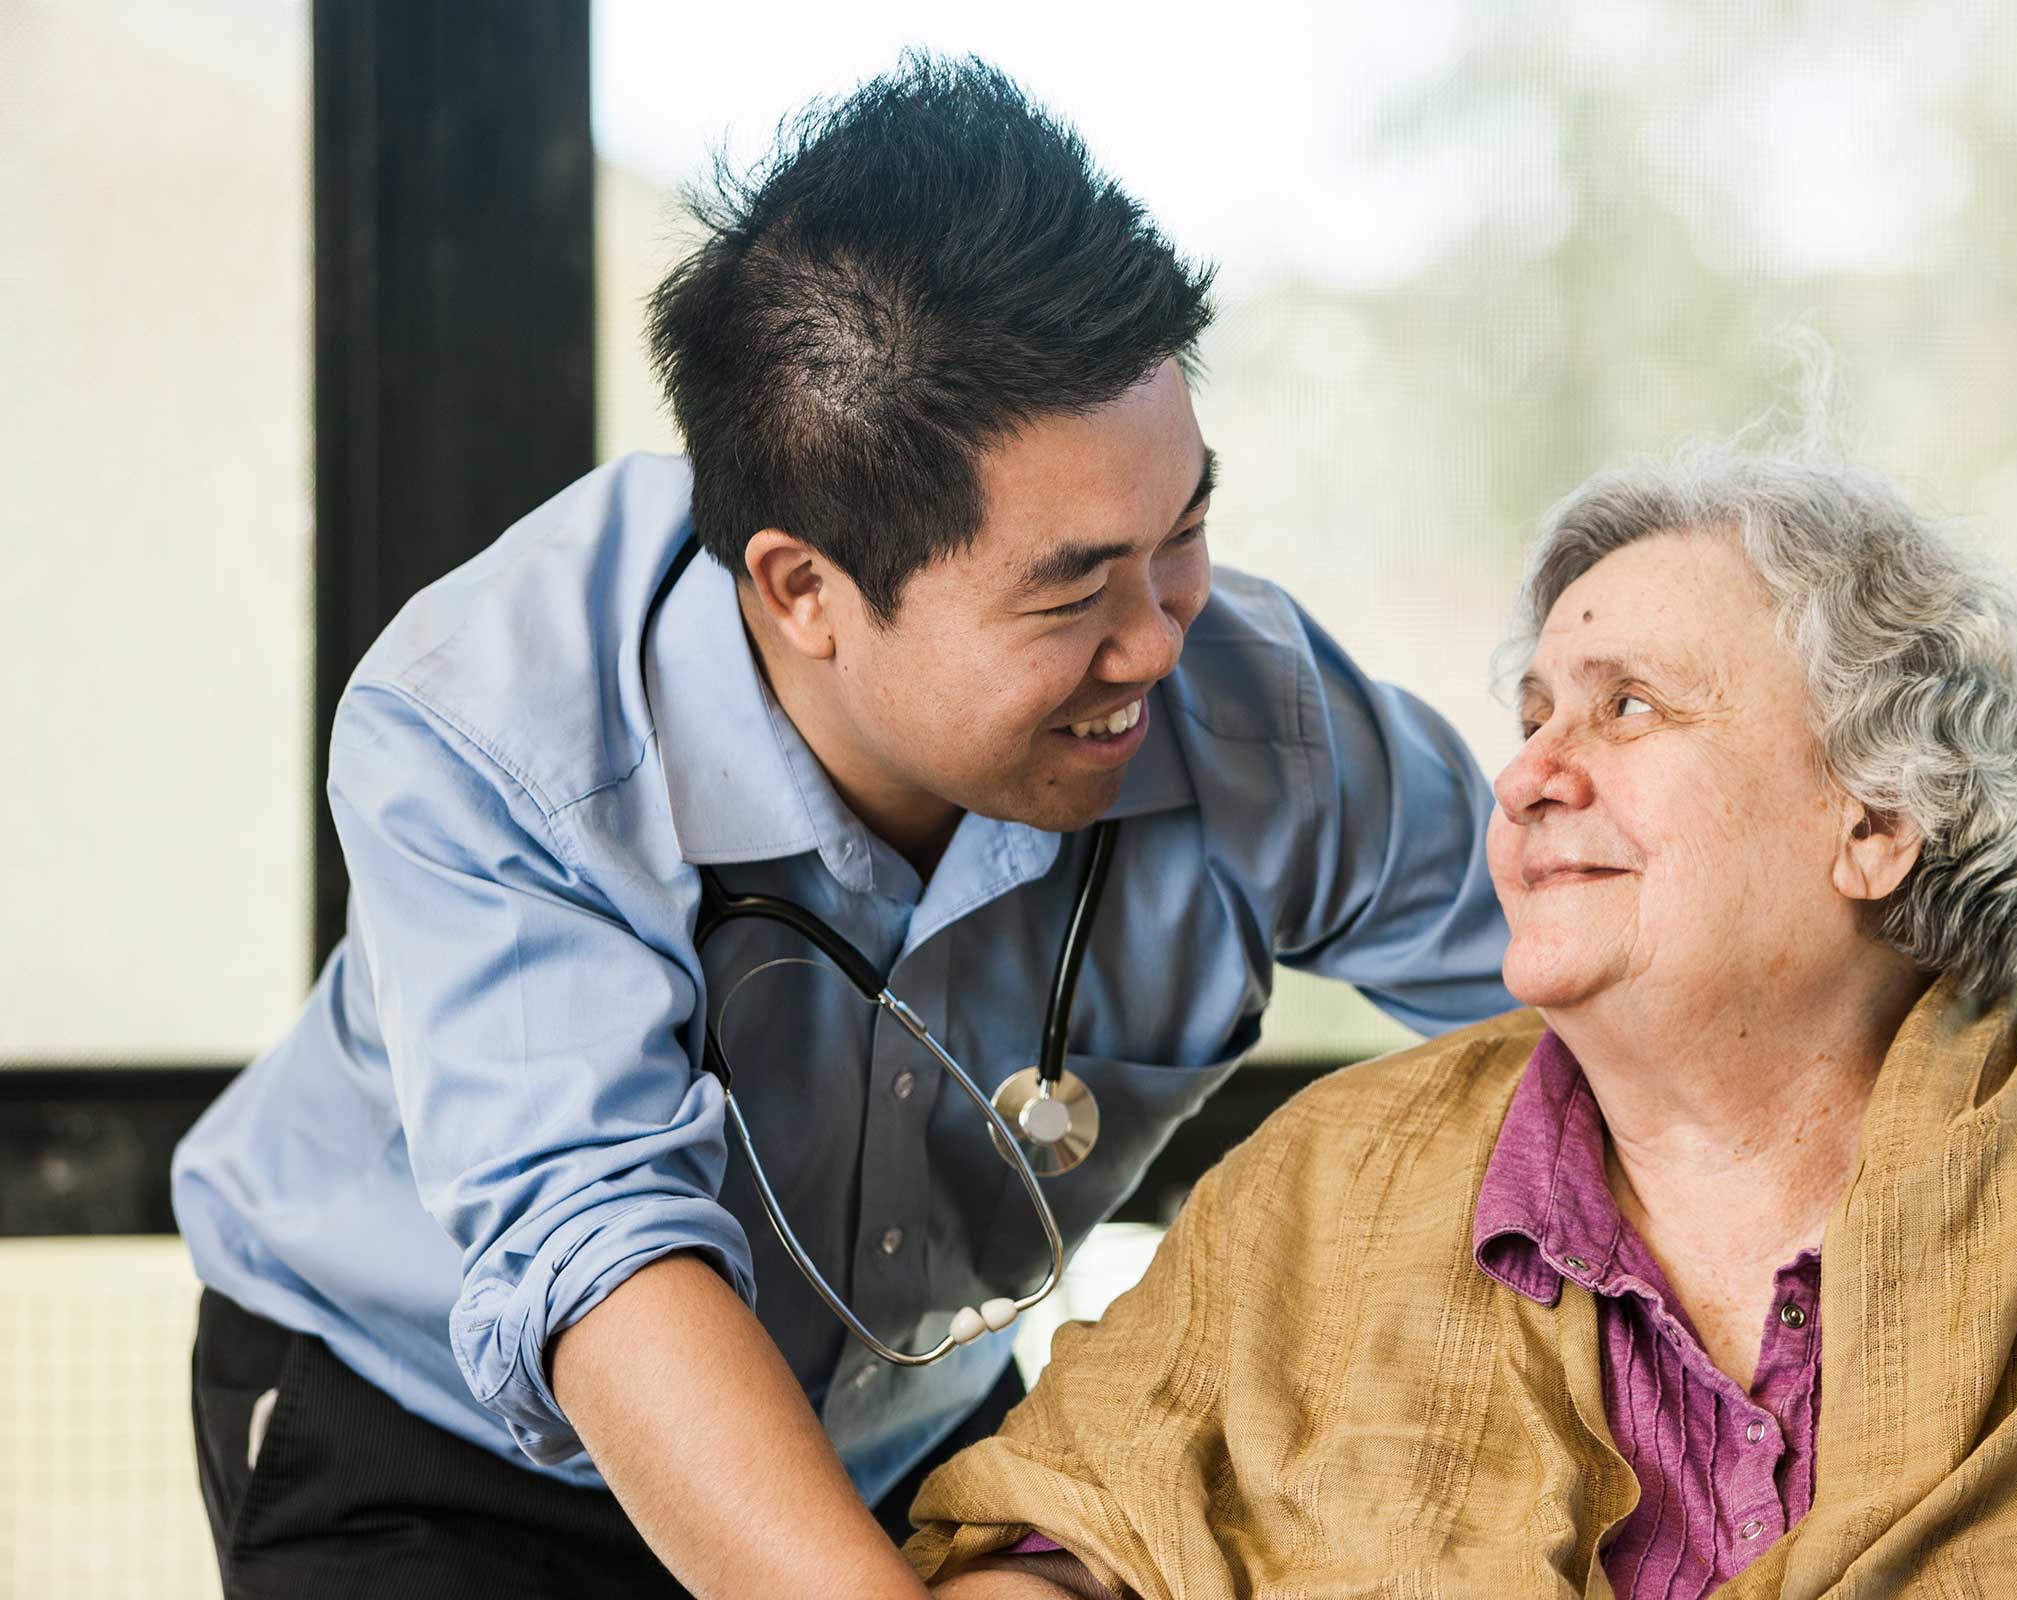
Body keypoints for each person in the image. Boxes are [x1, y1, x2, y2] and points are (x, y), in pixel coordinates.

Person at [170, 56, 1512, 1600]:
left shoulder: (1255, 712)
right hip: (438, 1436)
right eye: (1072, 591)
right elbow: (600, 1254)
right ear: (802, 589)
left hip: (916, 1427)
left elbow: (1604, 1011)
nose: (1157, 641)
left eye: (1187, 530)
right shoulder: (493, 726)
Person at [905, 450, 2017, 1598]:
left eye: (1625, 711)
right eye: (1536, 711)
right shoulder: (1325, 1185)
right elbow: (1065, 1521)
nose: (1531, 773)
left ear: (1875, 821)